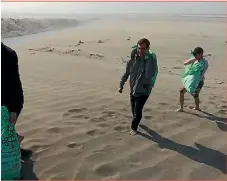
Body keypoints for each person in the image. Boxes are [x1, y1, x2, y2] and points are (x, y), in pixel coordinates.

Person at [118, 38, 158, 135]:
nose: (140, 51)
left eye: (143, 49)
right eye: (139, 48)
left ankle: (134, 128)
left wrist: (148, 60)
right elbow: (126, 73)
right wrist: (121, 85)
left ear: (147, 49)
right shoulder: (132, 60)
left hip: (144, 90)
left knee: (137, 110)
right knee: (134, 110)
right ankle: (137, 120)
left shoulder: (151, 61)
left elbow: (149, 75)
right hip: (133, 89)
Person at [1, 42, 30, 157]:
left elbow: (15, 85)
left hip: (7, 101)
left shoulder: (8, 55)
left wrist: (14, 108)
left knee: (6, 123)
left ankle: (12, 143)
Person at [176, 47, 210, 112]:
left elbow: (201, 73)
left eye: (196, 54)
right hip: (190, 80)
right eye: (194, 55)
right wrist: (194, 59)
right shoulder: (194, 59)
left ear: (200, 54)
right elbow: (185, 63)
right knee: (181, 91)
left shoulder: (205, 63)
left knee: (195, 95)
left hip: (199, 81)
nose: (195, 56)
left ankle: (197, 107)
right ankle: (181, 108)